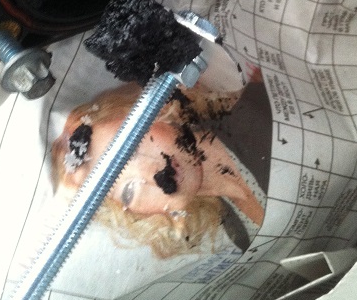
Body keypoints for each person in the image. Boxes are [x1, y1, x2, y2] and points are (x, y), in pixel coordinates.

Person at [52, 80, 271, 258]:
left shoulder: (267, 120)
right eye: (129, 191)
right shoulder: (237, 228)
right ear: (141, 214)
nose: (151, 174)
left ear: (156, 114)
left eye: (132, 148)